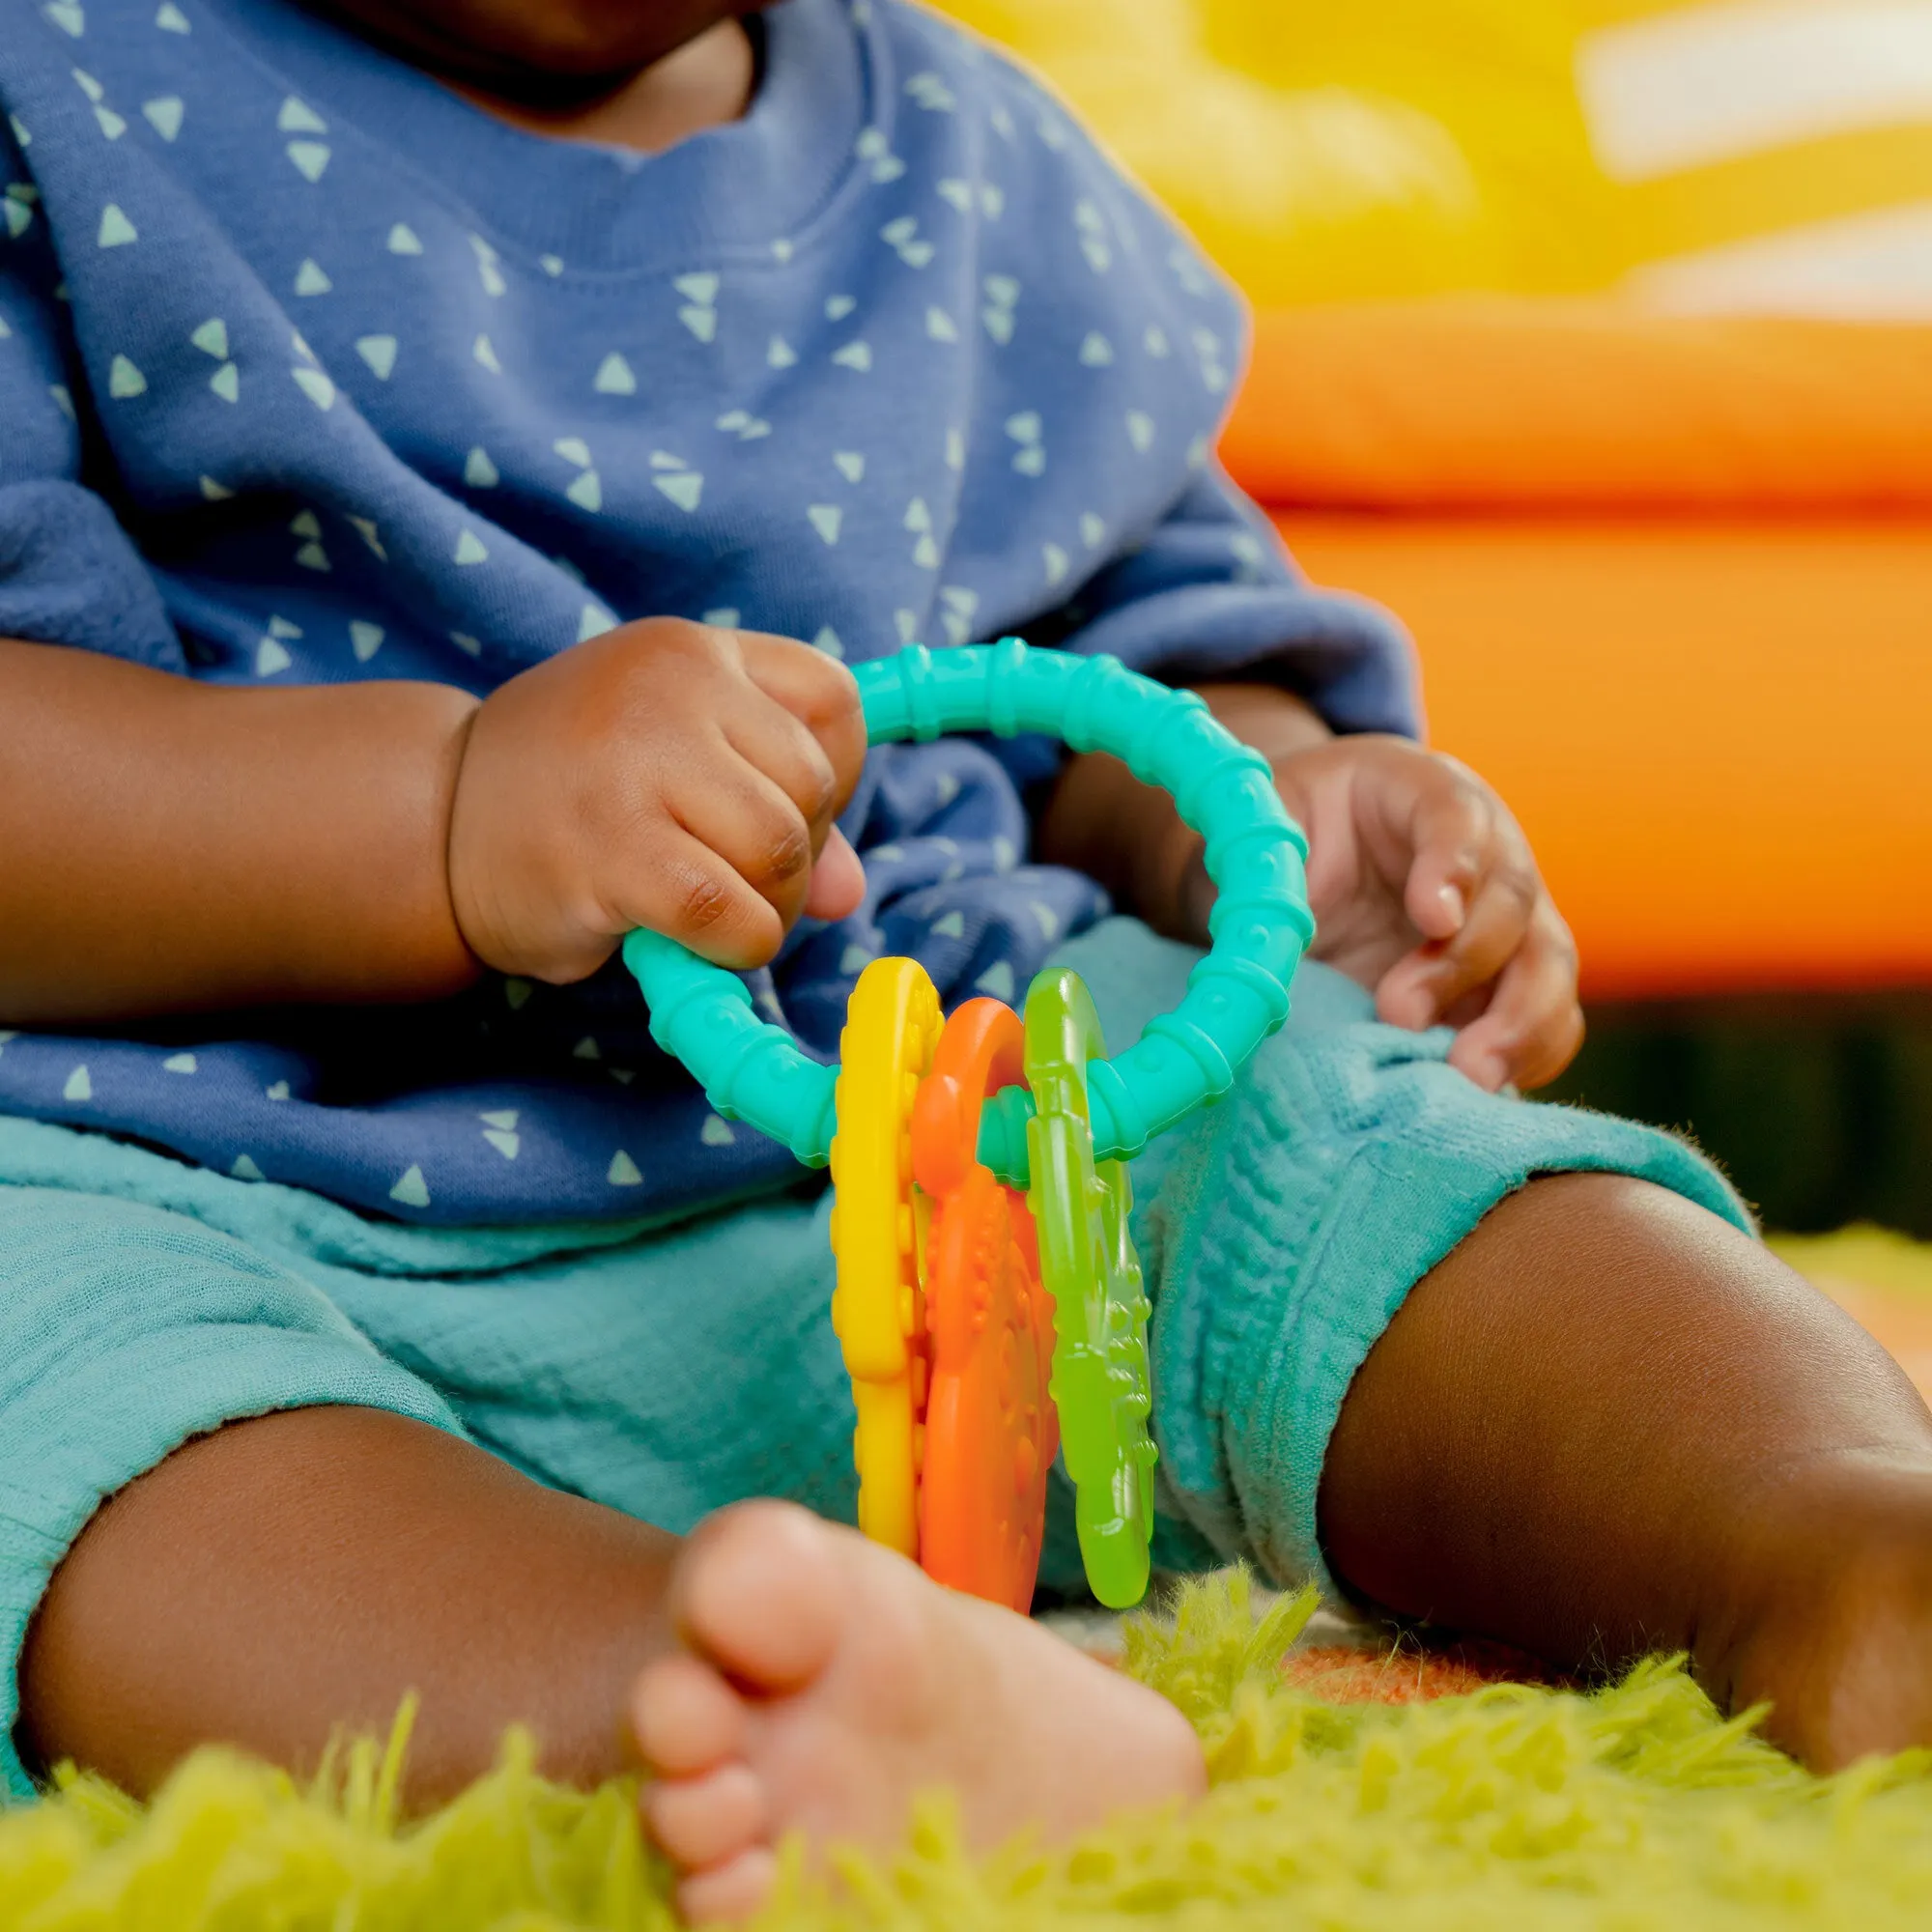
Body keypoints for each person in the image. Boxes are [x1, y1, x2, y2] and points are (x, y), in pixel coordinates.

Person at [4, 0, 1930, 1920]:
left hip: (966, 1121)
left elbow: (1135, 648)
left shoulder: (966, 157)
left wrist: (1265, 801)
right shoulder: (60, 89)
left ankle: (1835, 1535)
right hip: (233, 1184)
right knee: (63, 1398)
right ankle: (711, 1702)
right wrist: (438, 817)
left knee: (1339, 1124)